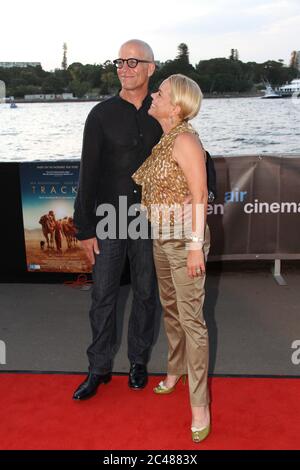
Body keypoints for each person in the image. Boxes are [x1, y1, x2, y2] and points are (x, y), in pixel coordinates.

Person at [72, 39, 162, 400]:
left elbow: (193, 152)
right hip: (109, 219)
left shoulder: (163, 110)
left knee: (145, 293)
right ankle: (98, 368)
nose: (124, 68)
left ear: (150, 68)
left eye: (133, 61)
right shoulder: (100, 115)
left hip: (150, 219)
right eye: (119, 62)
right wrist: (83, 227)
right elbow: (87, 173)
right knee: (103, 297)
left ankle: (138, 362)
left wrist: (208, 192)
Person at [132, 74, 211, 443]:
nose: (154, 95)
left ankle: (200, 405)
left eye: (160, 92)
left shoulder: (184, 140)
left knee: (192, 320)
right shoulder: (165, 139)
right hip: (161, 238)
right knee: (171, 309)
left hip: (184, 242)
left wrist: (195, 245)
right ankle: (175, 370)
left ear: (175, 106)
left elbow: (199, 194)